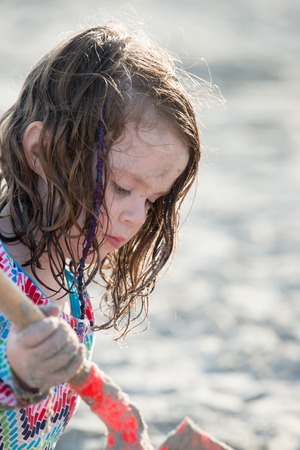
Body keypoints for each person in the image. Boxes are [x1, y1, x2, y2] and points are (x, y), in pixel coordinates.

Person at [0, 22, 200, 449]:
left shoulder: (72, 293)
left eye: (152, 200)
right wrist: (13, 374)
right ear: (40, 152)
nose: (135, 216)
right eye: (123, 187)